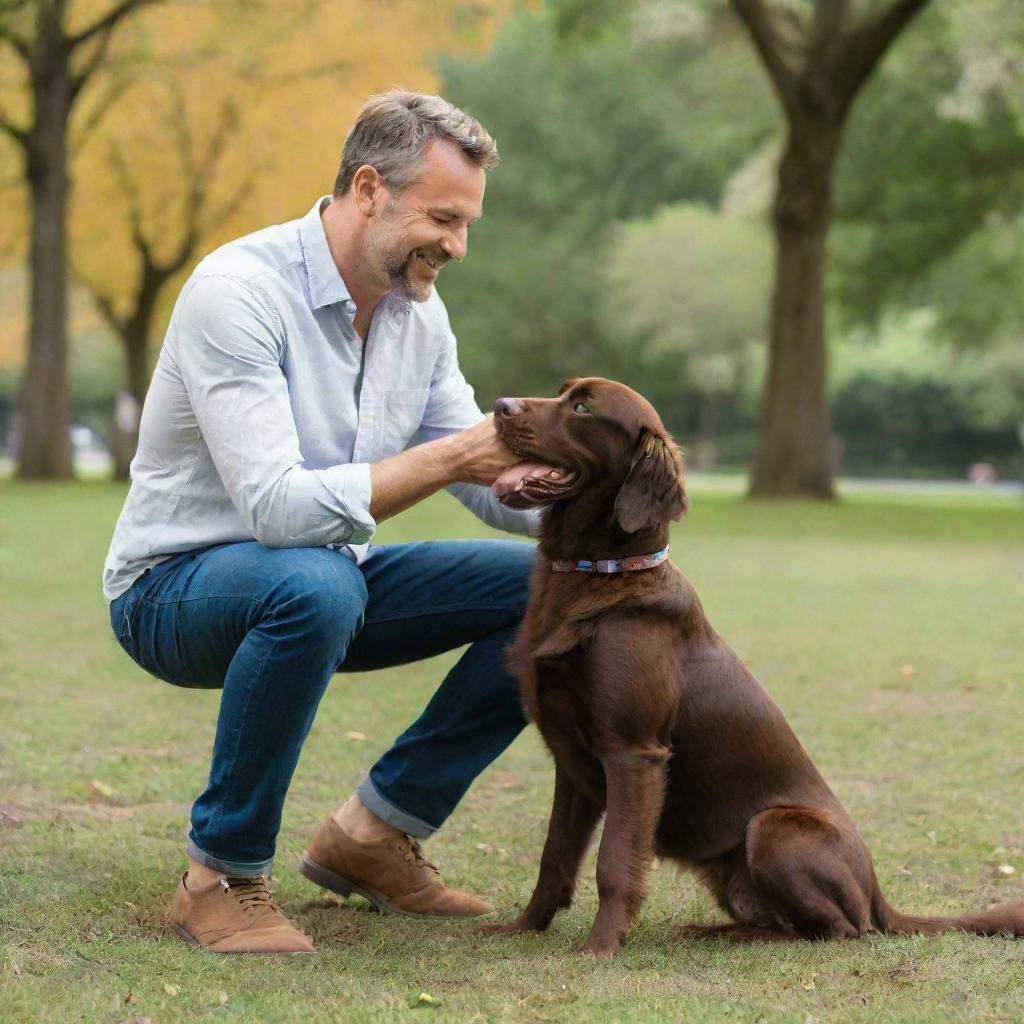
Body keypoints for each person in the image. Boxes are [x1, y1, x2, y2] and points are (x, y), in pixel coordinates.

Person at [104, 91, 553, 954]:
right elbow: (277, 507)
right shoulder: (237, 292)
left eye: (468, 227)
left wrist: (609, 519)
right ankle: (220, 876)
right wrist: (456, 456)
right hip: (172, 592)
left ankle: (375, 835)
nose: (456, 247)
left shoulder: (419, 317)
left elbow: (487, 479)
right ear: (368, 188)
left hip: (329, 579)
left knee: (550, 591)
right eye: (443, 219)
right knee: (311, 581)